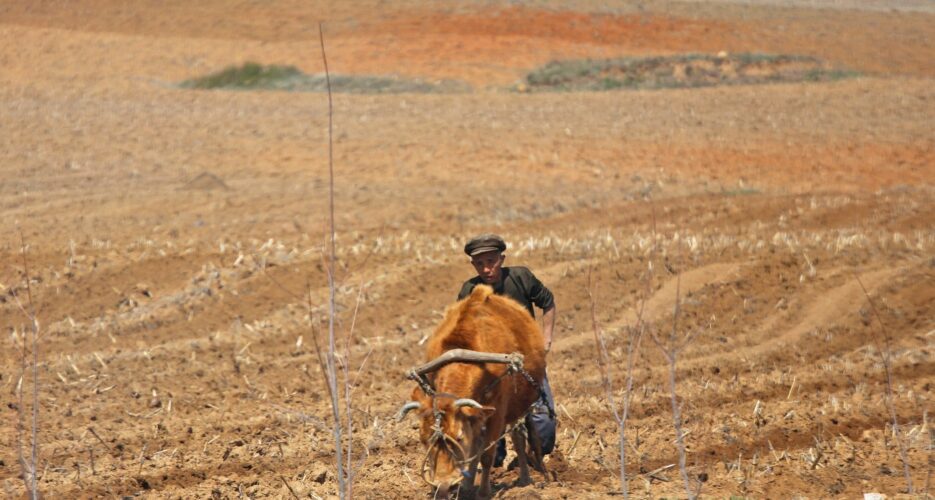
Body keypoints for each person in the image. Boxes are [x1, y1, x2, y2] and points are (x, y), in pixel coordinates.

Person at [457, 233, 557, 468]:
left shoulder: (520, 277)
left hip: (527, 360)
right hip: (490, 364)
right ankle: (494, 465)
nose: (486, 269)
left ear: (501, 259)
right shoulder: (470, 290)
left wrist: (546, 339)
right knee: (490, 417)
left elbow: (548, 303)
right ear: (473, 265)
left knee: (543, 418)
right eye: (480, 264)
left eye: (491, 261)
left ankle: (534, 457)